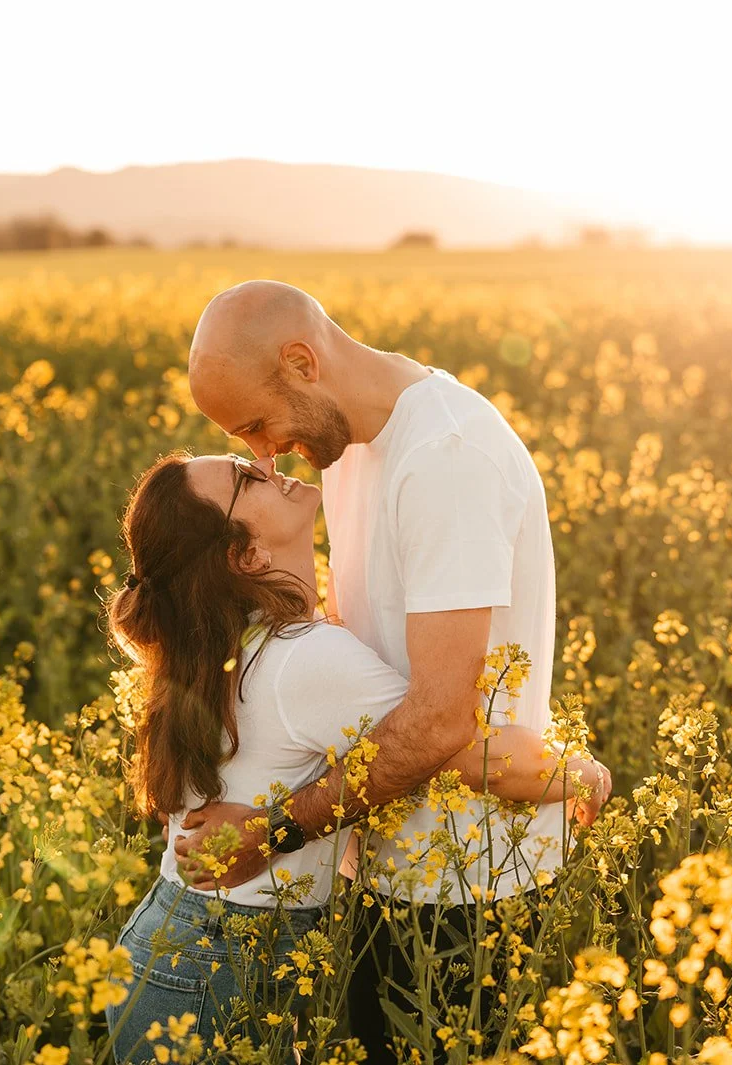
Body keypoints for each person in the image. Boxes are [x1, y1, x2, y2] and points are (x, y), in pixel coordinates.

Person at [176, 280, 612, 1058]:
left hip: (473, 885)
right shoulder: (348, 447)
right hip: (383, 865)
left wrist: (273, 830)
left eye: (258, 425)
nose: (264, 456)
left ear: (303, 362)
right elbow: (368, 642)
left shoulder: (446, 457)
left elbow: (444, 718)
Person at [102, 451, 592, 1063]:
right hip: (214, 971)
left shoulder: (224, 641)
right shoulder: (307, 657)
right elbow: (478, 757)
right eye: (243, 477)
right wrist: (587, 771)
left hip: (175, 945)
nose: (264, 461)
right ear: (247, 556)